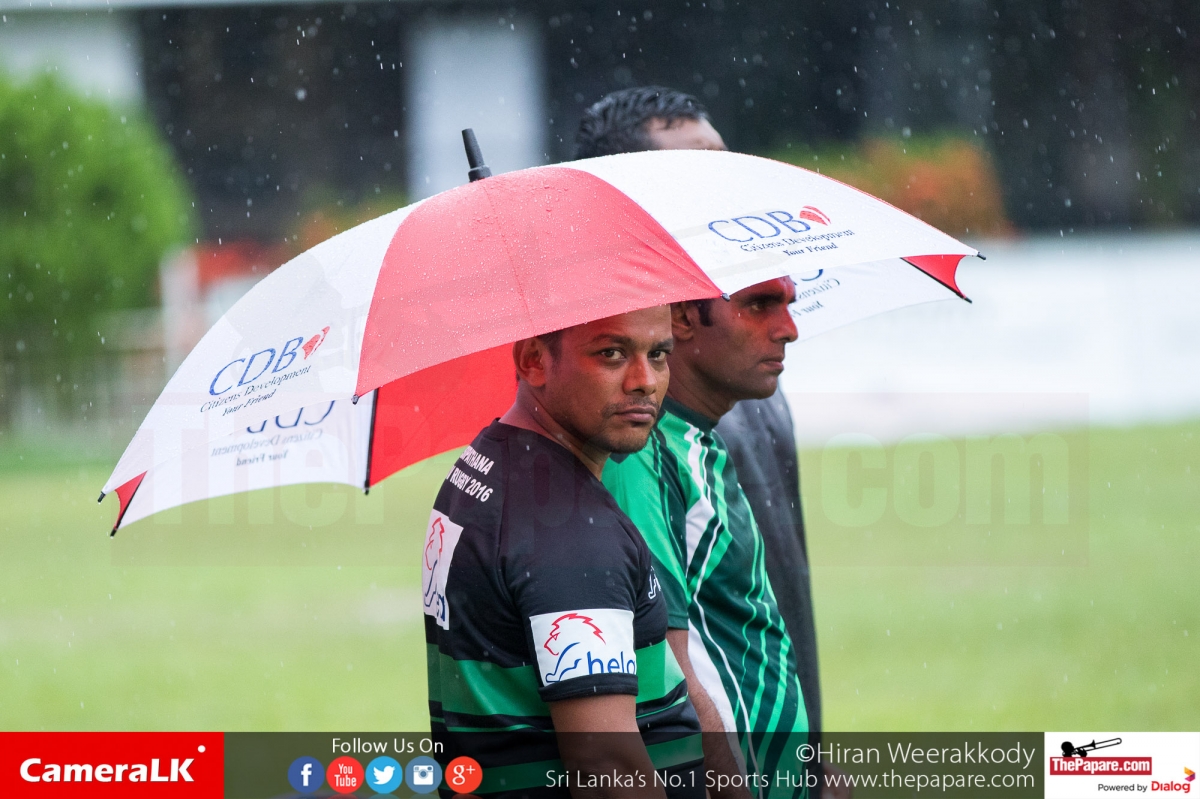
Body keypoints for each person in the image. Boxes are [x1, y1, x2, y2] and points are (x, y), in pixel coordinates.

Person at [578, 87, 831, 798]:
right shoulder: (626, 439)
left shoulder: (751, 396)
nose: (786, 328)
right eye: (697, 177)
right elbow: (661, 659)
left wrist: (809, 756)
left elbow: (771, 606)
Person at [422, 306, 704, 799]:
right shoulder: (568, 531)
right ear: (534, 360)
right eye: (612, 353)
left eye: (659, 354)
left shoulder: (491, 457)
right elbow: (606, 769)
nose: (644, 381)